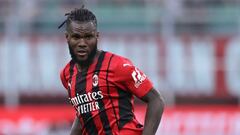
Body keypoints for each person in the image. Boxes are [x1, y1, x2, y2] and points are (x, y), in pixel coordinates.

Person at [59, 7, 164, 135]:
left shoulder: (117, 66)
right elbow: (83, 114)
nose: (82, 43)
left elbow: (156, 100)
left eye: (88, 37)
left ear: (97, 37)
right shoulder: (66, 74)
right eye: (76, 37)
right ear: (67, 37)